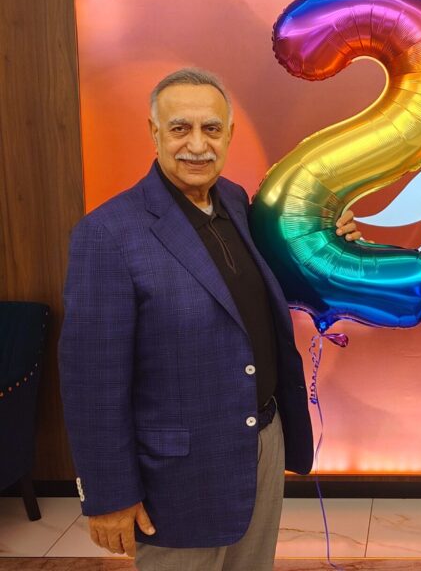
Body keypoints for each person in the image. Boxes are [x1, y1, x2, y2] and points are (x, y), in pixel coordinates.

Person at [59, 67, 361, 570]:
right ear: (154, 133)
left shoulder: (239, 203)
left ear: (229, 134)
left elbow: (253, 295)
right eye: (180, 129)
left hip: (261, 443)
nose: (196, 145)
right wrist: (109, 495)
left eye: (211, 129)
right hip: (177, 474)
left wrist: (326, 241)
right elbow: (92, 381)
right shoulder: (108, 233)